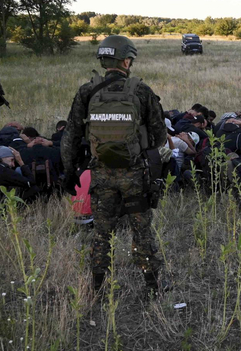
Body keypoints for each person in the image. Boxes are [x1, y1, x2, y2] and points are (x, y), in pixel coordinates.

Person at [62, 35, 168, 297]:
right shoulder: (141, 90)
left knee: (102, 232)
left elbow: (71, 135)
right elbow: (159, 137)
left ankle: (97, 286)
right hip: (134, 175)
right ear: (126, 60)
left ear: (103, 59)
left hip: (101, 175)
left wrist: (69, 171)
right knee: (141, 230)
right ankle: (153, 286)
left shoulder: (87, 91)